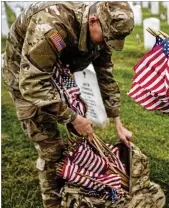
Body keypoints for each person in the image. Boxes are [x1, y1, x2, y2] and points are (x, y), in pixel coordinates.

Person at [2, 2, 134, 207]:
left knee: (79, 138)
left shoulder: (103, 31)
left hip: (60, 71)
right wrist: (73, 117)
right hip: (25, 76)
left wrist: (117, 121)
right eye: (106, 38)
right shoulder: (52, 24)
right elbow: (33, 84)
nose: (107, 45)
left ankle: (77, 184)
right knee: (50, 148)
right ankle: (53, 201)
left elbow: (105, 75)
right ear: (92, 21)